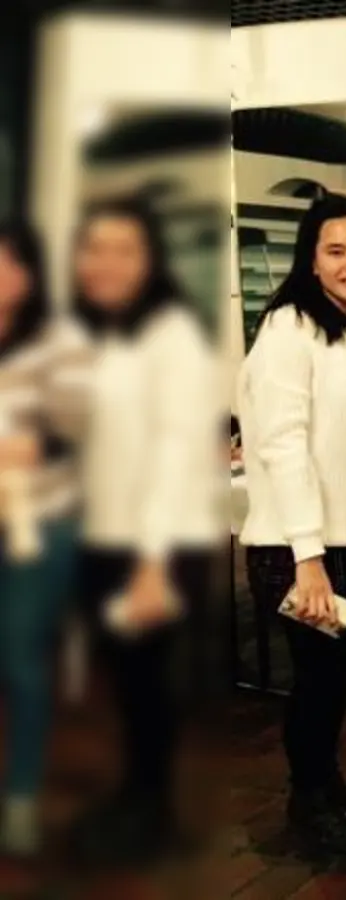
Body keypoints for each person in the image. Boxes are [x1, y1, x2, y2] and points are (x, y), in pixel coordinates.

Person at [237, 194, 346, 862]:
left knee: (333, 683)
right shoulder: (289, 328)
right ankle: (309, 804)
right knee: (315, 682)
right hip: (300, 547)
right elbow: (282, 444)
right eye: (336, 250)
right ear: (311, 259)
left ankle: (327, 789)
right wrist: (308, 557)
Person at [70, 196, 225, 865]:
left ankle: (150, 808)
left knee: (148, 681)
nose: (106, 264)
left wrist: (151, 561)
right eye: (94, 249)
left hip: (154, 542)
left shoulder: (172, 336)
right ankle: (132, 795)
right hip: (101, 533)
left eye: (124, 250)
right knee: (123, 680)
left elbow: (174, 449)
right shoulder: (93, 332)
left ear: (150, 260)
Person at [0, 220, 91, 858]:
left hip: (43, 524)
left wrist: (38, 443)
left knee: (20, 659)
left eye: (8, 264)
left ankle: (21, 797)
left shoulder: (58, 342)